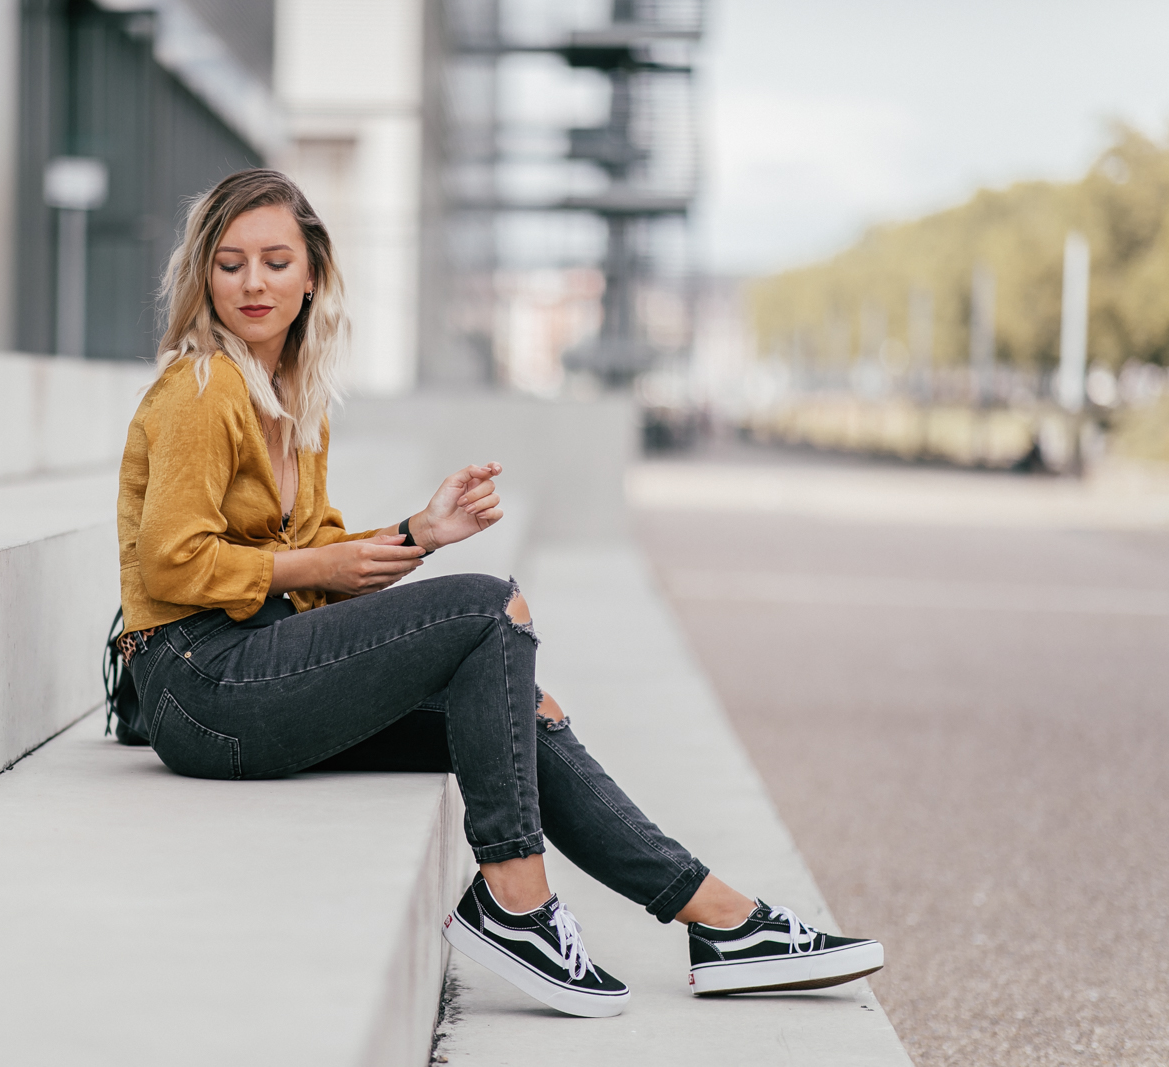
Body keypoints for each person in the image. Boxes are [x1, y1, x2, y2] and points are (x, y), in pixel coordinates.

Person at [111, 168, 883, 1016]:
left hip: (254, 671)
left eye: (274, 260)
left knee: (519, 702)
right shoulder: (202, 388)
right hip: (201, 682)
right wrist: (322, 569)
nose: (253, 283)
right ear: (203, 278)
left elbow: (316, 557)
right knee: (489, 605)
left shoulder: (294, 400)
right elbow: (171, 565)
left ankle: (720, 917)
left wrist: (418, 533)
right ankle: (517, 902)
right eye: (230, 264)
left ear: (312, 276)